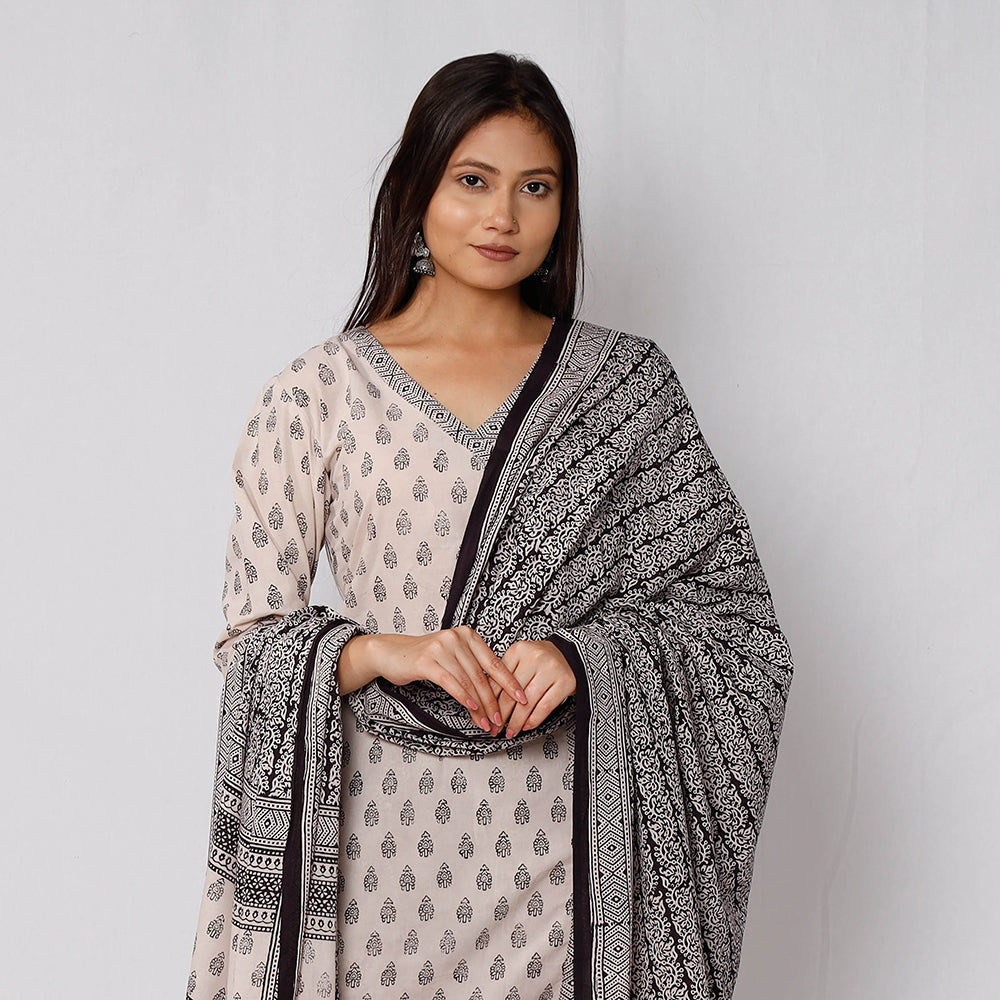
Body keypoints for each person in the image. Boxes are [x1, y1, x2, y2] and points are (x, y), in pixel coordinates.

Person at [186, 52, 794, 1000]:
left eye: (535, 188)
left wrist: (589, 655)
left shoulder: (623, 390)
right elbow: (251, 643)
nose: (504, 216)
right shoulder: (316, 393)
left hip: (574, 872)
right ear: (417, 190)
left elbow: (736, 627)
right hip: (377, 864)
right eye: (473, 181)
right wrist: (386, 651)